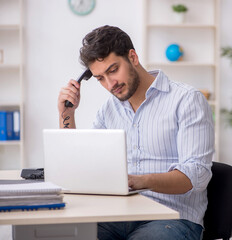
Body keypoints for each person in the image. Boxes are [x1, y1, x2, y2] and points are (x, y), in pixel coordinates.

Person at [57, 25, 214, 240]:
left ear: (133, 57)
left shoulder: (187, 100)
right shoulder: (108, 110)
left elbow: (196, 175)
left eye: (113, 70)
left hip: (172, 219)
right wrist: (67, 114)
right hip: (117, 215)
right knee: (63, 235)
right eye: (100, 78)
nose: (110, 84)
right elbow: (82, 167)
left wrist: (140, 181)